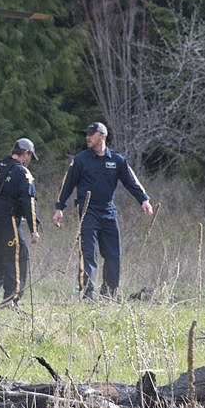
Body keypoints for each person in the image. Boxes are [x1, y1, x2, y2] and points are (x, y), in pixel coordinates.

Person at [52, 122, 154, 300]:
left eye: (92, 134)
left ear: (103, 136)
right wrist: (59, 207)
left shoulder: (116, 160)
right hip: (87, 212)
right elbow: (67, 184)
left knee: (114, 255)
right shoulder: (81, 159)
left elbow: (131, 181)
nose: (88, 137)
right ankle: (87, 295)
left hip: (108, 212)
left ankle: (109, 295)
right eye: (87, 134)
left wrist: (143, 199)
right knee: (88, 254)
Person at [0, 138, 41, 305]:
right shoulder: (22, 172)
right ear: (26, 154)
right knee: (18, 258)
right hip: (8, 222)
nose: (29, 161)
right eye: (30, 157)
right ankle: (11, 300)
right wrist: (34, 228)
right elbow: (29, 200)